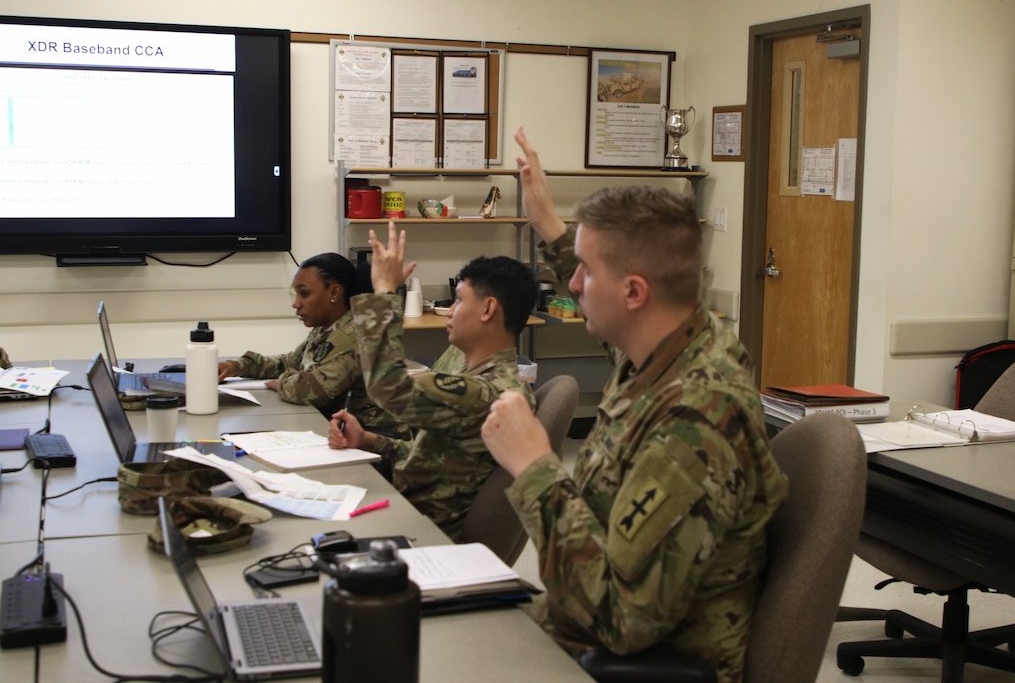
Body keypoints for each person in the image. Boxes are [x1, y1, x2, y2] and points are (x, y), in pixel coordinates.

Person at [479, 127, 788, 682]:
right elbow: (606, 300)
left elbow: (622, 621)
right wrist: (548, 221)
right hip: (576, 632)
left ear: (634, 293)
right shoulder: (677, 340)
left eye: (585, 271)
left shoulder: (697, 420)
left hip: (627, 662)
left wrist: (534, 466)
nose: (571, 284)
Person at [328, 222, 538, 541]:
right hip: (411, 513)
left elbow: (388, 387)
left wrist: (384, 293)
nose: (450, 310)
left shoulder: (487, 391)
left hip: (421, 533)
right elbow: (432, 459)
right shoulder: (481, 377)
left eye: (458, 300)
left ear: (488, 309)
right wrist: (369, 440)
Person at [217, 252, 404, 436]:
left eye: (304, 294)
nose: (296, 304)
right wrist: (237, 366)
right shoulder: (326, 328)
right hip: (352, 432)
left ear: (334, 293)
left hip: (378, 439)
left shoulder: (352, 336)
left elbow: (311, 390)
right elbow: (291, 361)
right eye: (296, 294)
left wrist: (282, 382)